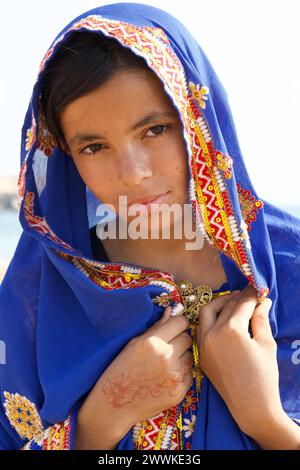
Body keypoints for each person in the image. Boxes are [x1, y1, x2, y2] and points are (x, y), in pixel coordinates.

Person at [0, 2, 299, 451]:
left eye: (155, 130)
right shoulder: (41, 286)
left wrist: (267, 421)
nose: (133, 172)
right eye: (94, 146)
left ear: (197, 120)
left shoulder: (287, 267)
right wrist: (103, 417)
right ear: (64, 154)